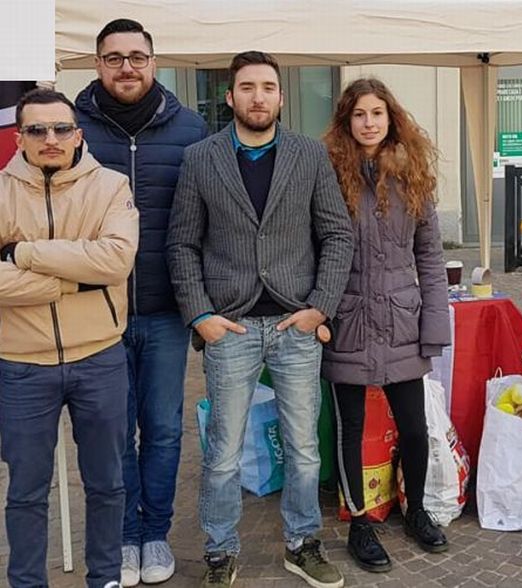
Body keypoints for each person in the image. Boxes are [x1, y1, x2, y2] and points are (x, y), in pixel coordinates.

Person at [166, 51, 353, 588]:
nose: (257, 97)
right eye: (246, 87)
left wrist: (320, 305)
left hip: (296, 325)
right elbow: (182, 243)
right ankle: (220, 551)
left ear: (280, 96)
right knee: (222, 453)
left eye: (267, 87)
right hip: (231, 326)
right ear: (230, 97)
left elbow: (336, 234)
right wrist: (200, 315)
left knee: (303, 446)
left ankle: (303, 543)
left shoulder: (309, 156)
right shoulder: (201, 158)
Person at [74, 18, 208, 585]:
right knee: (111, 430)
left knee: (162, 428)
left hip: (165, 310)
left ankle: (155, 533)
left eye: (136, 57)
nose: (126, 67)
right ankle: (124, 536)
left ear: (153, 62)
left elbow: (209, 219)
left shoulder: (192, 128)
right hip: (94, 312)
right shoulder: (69, 127)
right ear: (98, 64)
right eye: (114, 57)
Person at [0, 88, 138, 588]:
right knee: (26, 491)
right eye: (37, 130)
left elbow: (116, 261)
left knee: (106, 483)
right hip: (20, 365)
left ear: (78, 134)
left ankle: (104, 578)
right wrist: (73, 278)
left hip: (99, 356)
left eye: (60, 129)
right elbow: (96, 267)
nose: (50, 139)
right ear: (20, 138)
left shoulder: (111, 186)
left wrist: (22, 254)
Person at [320, 77, 450, 573]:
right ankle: (359, 522)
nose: (369, 123)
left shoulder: (412, 175)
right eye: (359, 115)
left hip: (401, 321)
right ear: (346, 121)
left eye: (377, 113)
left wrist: (434, 326)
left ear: (390, 118)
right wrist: (319, 313)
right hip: (346, 319)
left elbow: (431, 257)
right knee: (349, 428)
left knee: (413, 428)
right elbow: (314, 249)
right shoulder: (327, 173)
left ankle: (416, 509)